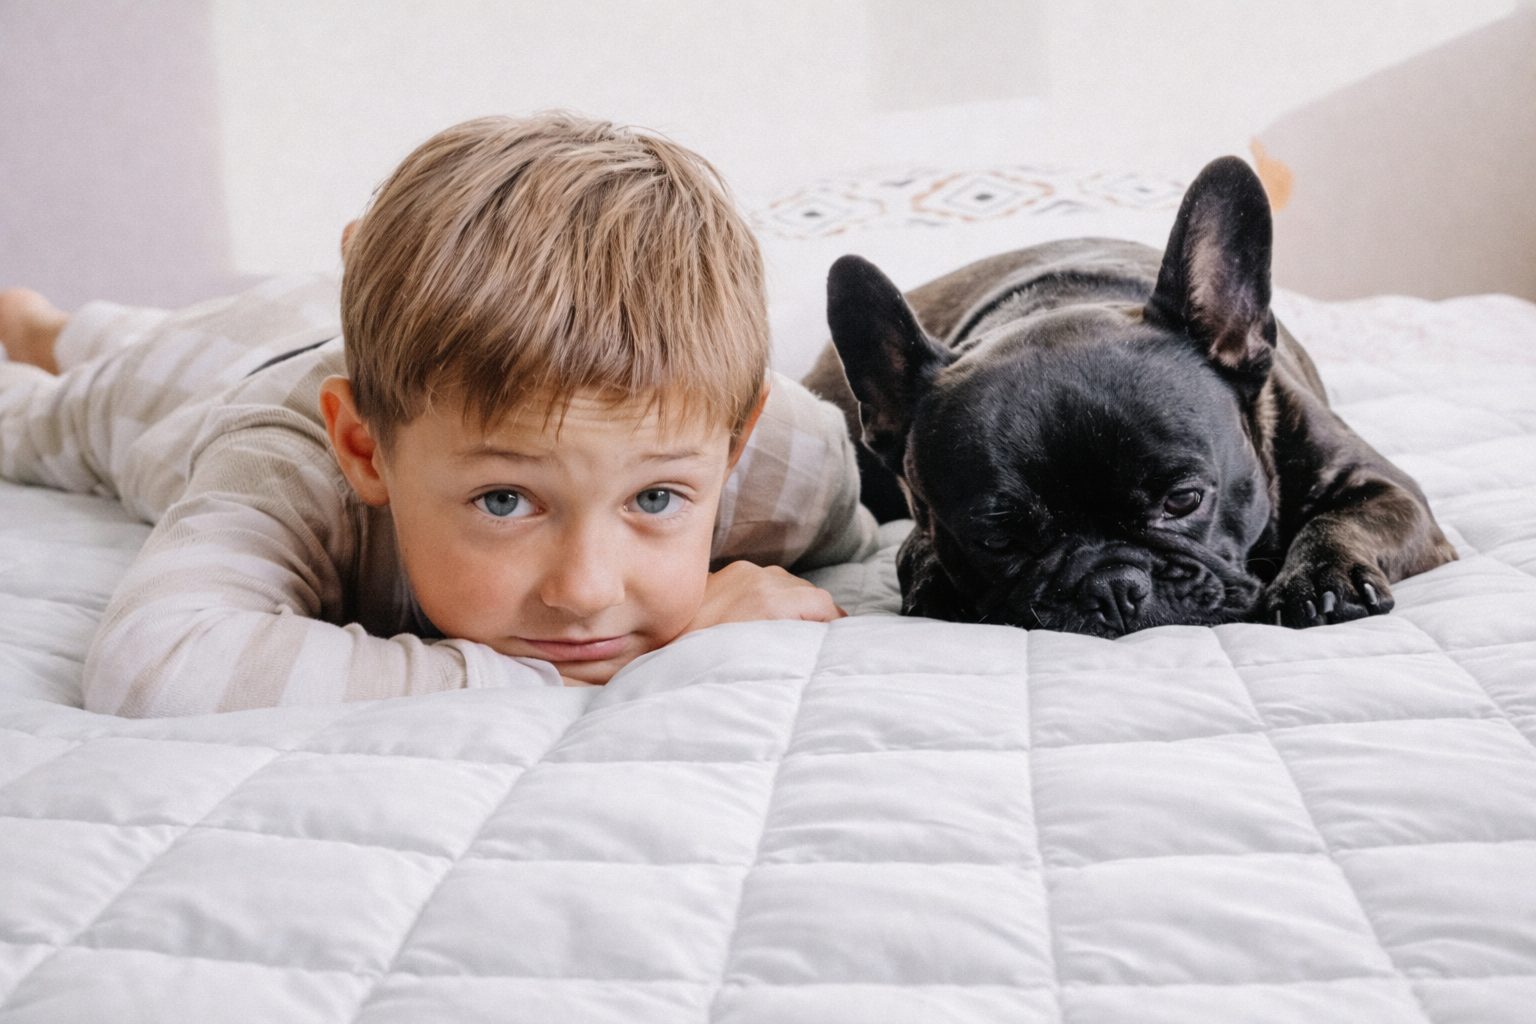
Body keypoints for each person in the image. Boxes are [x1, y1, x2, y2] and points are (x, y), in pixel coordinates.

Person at [0, 113, 876, 717]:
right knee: (53, 409)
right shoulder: (288, 452)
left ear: (736, 444)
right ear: (364, 447)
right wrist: (554, 682)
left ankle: (62, 325)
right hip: (205, 375)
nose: (585, 592)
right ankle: (48, 331)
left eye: (655, 501)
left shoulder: (790, 465)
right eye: (504, 500)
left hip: (358, 333)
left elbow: (863, 518)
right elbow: (158, 666)